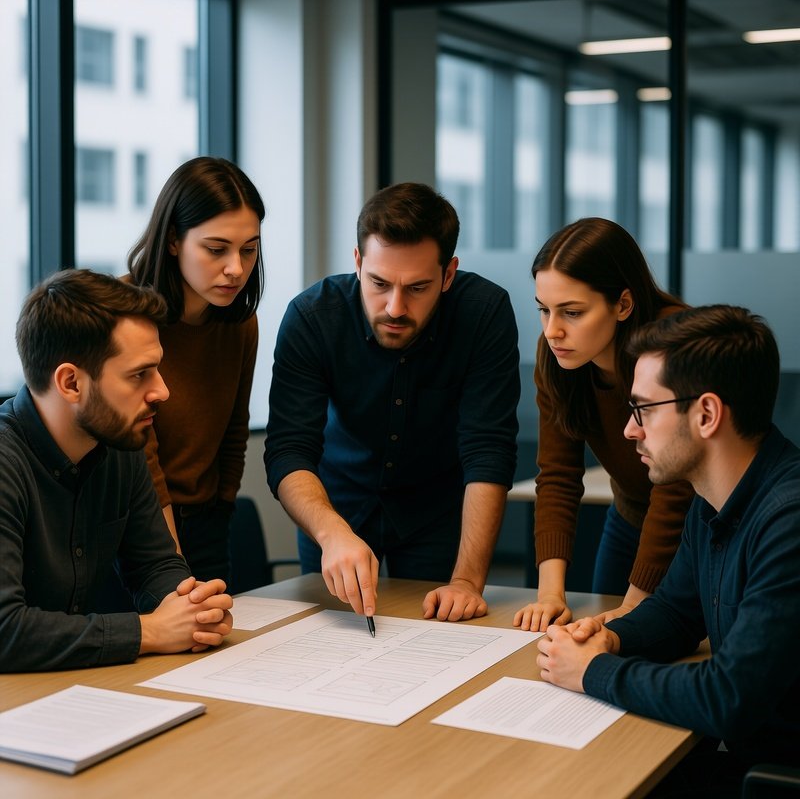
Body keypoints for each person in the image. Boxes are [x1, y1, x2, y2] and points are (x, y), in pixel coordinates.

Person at [536, 305, 800, 790]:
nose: (629, 430)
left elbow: (728, 697)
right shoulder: (714, 494)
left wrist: (594, 670)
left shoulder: (788, 520)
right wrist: (607, 637)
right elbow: (678, 613)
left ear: (706, 414)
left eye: (643, 410)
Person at [264, 182, 520, 622]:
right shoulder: (312, 317)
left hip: (435, 510)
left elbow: (488, 450)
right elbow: (289, 450)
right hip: (334, 507)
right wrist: (331, 533)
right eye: (379, 283)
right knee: (330, 641)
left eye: (418, 288)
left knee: (441, 633)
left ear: (449, 274)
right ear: (358, 261)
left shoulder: (483, 313)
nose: (395, 307)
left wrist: (466, 581)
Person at [0, 269, 233, 672]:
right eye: (139, 374)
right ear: (71, 382)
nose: (162, 390)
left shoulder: (120, 442)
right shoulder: (7, 464)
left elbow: (155, 565)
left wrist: (192, 610)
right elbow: (5, 630)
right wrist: (152, 631)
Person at [514, 218, 694, 632]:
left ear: (623, 305)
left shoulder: (675, 346)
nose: (552, 330)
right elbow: (558, 474)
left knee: (648, 640)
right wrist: (549, 597)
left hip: (695, 528)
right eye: (544, 310)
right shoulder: (557, 354)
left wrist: (634, 606)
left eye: (572, 312)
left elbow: (676, 488)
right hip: (630, 513)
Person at [129, 156, 265, 585]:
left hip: (208, 521)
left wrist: (222, 506)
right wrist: (172, 563)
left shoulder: (239, 323)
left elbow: (234, 429)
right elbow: (141, 453)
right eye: (216, 249)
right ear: (173, 240)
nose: (236, 269)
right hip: (135, 524)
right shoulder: (124, 315)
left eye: (249, 249)